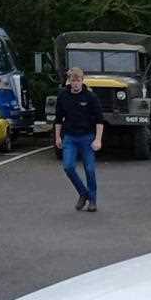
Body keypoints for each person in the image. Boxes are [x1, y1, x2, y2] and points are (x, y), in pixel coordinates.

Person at [54, 67, 104, 211]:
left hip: (87, 137)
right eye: (73, 81)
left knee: (89, 169)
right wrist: (57, 137)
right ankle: (83, 193)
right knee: (68, 167)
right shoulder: (63, 96)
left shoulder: (90, 97)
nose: (76, 84)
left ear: (82, 80)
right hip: (70, 138)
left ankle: (92, 200)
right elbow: (58, 119)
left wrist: (98, 139)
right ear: (69, 81)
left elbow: (99, 120)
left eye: (78, 81)